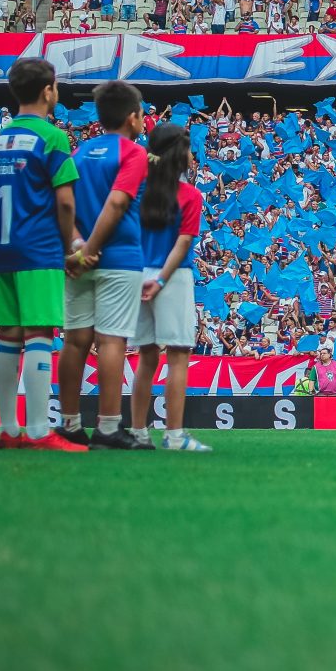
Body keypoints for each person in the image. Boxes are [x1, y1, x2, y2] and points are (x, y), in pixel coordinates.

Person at [0, 57, 84, 452]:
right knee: (40, 333)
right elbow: (64, 203)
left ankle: (9, 429)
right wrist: (71, 248)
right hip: (39, 247)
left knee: (7, 335)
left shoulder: (2, 137)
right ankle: (40, 431)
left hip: (3, 247)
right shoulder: (52, 137)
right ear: (48, 91)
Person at [60, 81, 150, 450]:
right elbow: (116, 204)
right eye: (143, 114)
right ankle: (109, 426)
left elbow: (63, 202)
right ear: (132, 118)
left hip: (77, 259)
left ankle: (69, 424)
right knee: (112, 339)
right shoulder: (133, 153)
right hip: (118, 256)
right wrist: (92, 248)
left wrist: (77, 248)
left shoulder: (78, 153)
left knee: (76, 339)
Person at [132, 121, 211, 452]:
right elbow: (182, 244)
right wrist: (162, 280)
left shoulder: (137, 191)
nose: (193, 155)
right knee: (178, 355)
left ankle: (137, 432)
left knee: (145, 356)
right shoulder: (190, 195)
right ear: (180, 152)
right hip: (173, 276)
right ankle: (175, 436)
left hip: (136, 275)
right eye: (190, 148)